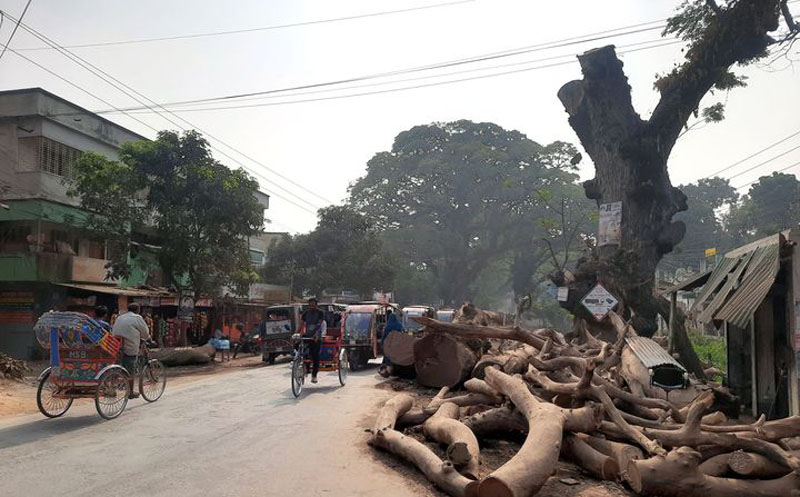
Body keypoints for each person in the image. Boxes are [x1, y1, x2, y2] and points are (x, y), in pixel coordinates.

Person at [112, 303, 151, 399]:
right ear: (138, 310)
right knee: (130, 369)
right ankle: (130, 392)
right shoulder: (137, 318)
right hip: (129, 347)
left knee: (116, 367)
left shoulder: (120, 317)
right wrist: (149, 338)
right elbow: (145, 334)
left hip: (116, 346)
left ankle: (111, 388)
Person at [299, 298, 325, 383]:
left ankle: (314, 376)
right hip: (308, 335)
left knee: (315, 356)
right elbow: (301, 324)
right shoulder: (306, 313)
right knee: (301, 350)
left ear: (316, 305)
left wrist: (316, 334)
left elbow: (319, 324)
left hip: (316, 336)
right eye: (310, 305)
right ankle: (304, 367)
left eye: (313, 305)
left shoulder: (320, 312)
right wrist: (297, 333)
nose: (311, 307)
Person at [379, 310, 404, 377]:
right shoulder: (399, 325)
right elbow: (403, 334)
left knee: (388, 357)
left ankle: (389, 370)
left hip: (389, 345)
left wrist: (382, 344)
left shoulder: (388, 326)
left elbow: (384, 336)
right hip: (397, 344)